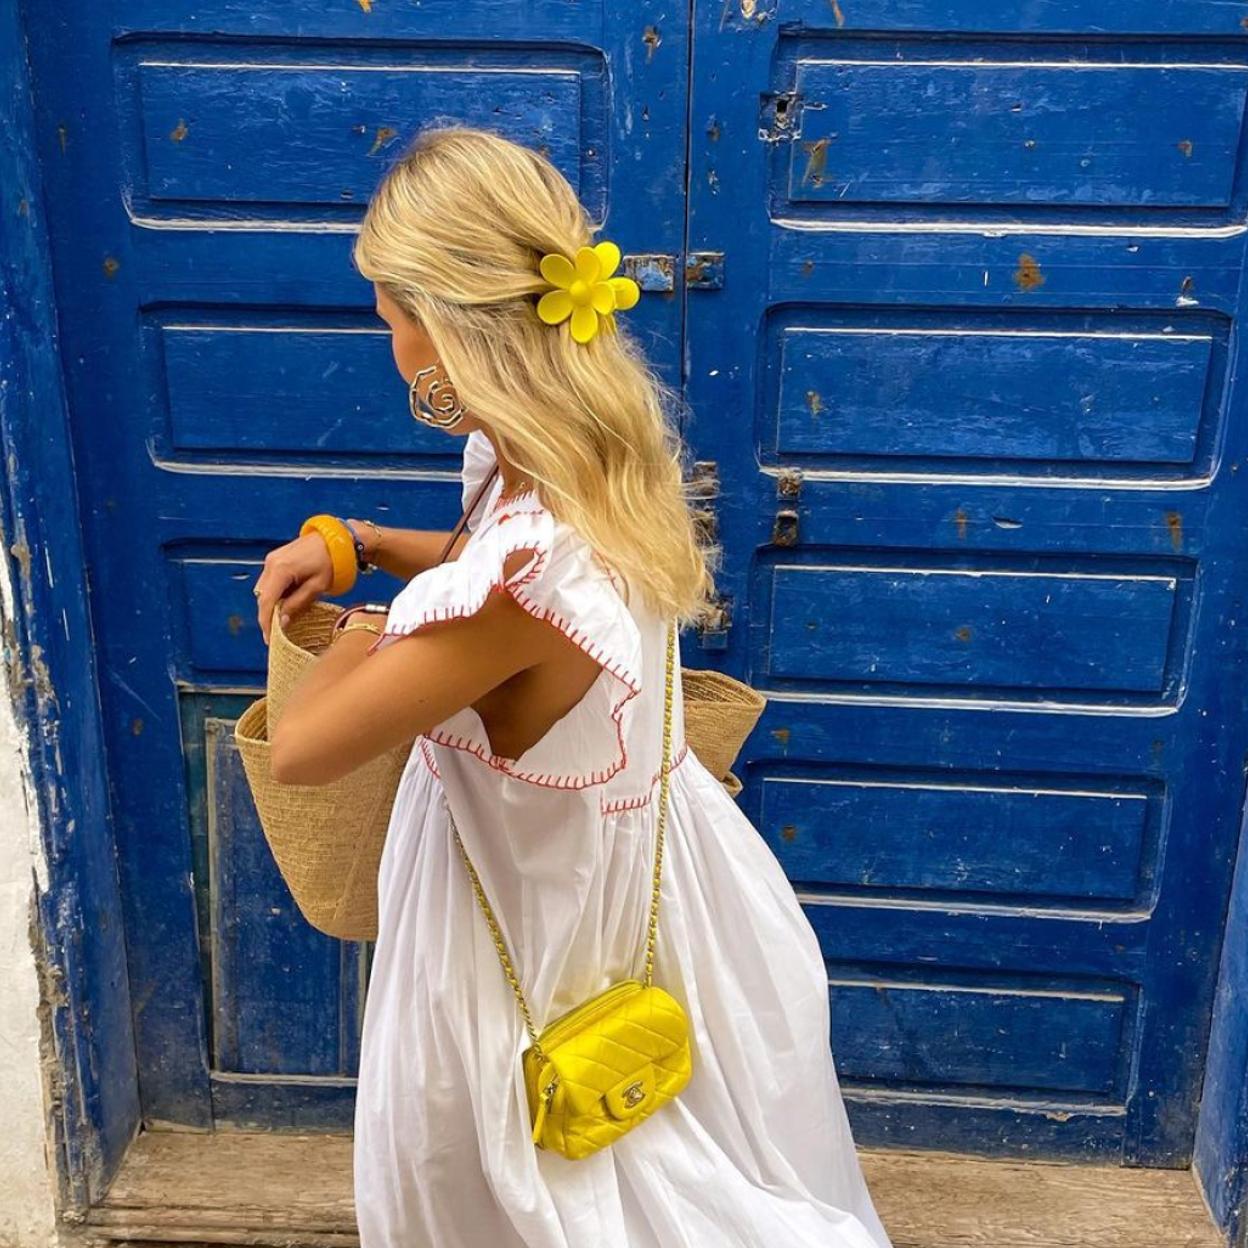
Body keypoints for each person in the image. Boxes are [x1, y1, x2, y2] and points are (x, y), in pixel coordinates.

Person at [253, 125, 891, 1248]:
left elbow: (304, 749)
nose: (384, 335)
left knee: (565, 1194)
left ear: (444, 328)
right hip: (630, 880)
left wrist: (366, 627)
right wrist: (359, 541)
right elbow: (490, 569)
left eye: (392, 312)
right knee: (657, 1168)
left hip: (530, 925)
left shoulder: (509, 588)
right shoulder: (585, 450)